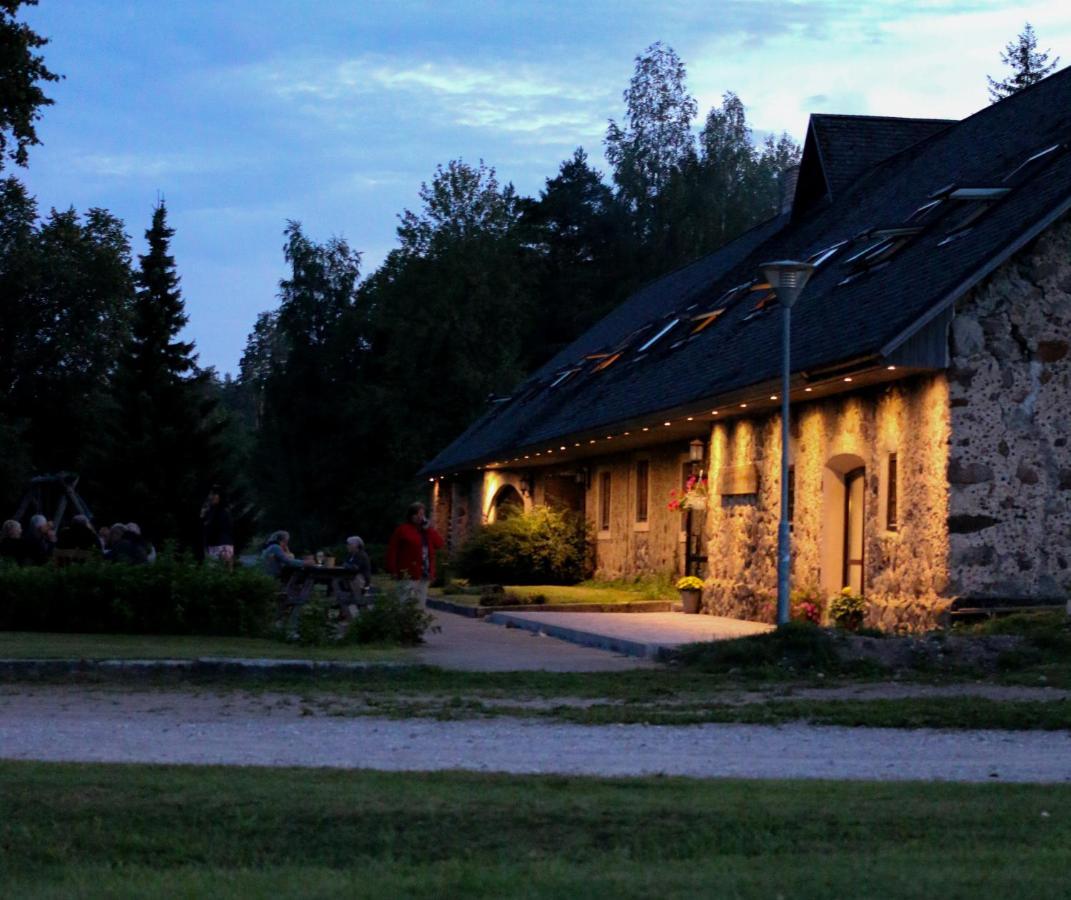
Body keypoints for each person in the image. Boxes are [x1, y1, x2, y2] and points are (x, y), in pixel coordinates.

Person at [386, 502, 444, 605]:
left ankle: (418, 620)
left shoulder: (426, 531)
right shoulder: (403, 530)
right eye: (418, 514)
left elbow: (439, 544)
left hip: (424, 572)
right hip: (408, 571)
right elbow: (393, 550)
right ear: (412, 515)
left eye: (422, 514)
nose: (421, 517)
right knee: (405, 600)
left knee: (420, 602)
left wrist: (429, 529)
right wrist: (393, 570)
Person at [201, 485, 235, 566]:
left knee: (223, 572)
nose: (211, 497)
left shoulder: (223, 512)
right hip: (213, 546)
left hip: (223, 545)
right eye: (211, 494)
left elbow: (226, 528)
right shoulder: (209, 511)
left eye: (214, 494)